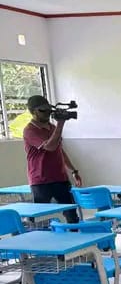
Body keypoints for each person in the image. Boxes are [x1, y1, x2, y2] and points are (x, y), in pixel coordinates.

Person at [22, 95, 81, 223]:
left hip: (60, 178)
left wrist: (73, 170)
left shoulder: (53, 128)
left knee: (71, 215)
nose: (47, 113)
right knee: (38, 217)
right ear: (33, 112)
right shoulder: (30, 130)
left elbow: (60, 150)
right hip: (41, 180)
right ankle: (25, 228)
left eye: (48, 109)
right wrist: (61, 123)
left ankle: (74, 233)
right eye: (42, 110)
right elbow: (50, 147)